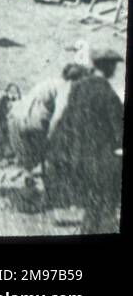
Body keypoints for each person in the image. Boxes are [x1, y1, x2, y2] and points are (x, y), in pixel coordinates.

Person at [44, 49, 123, 233]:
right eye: (114, 66)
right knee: (105, 205)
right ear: (109, 67)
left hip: (75, 157)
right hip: (100, 161)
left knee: (93, 205)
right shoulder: (108, 94)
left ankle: (90, 228)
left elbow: (66, 121)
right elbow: (119, 133)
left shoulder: (78, 87)